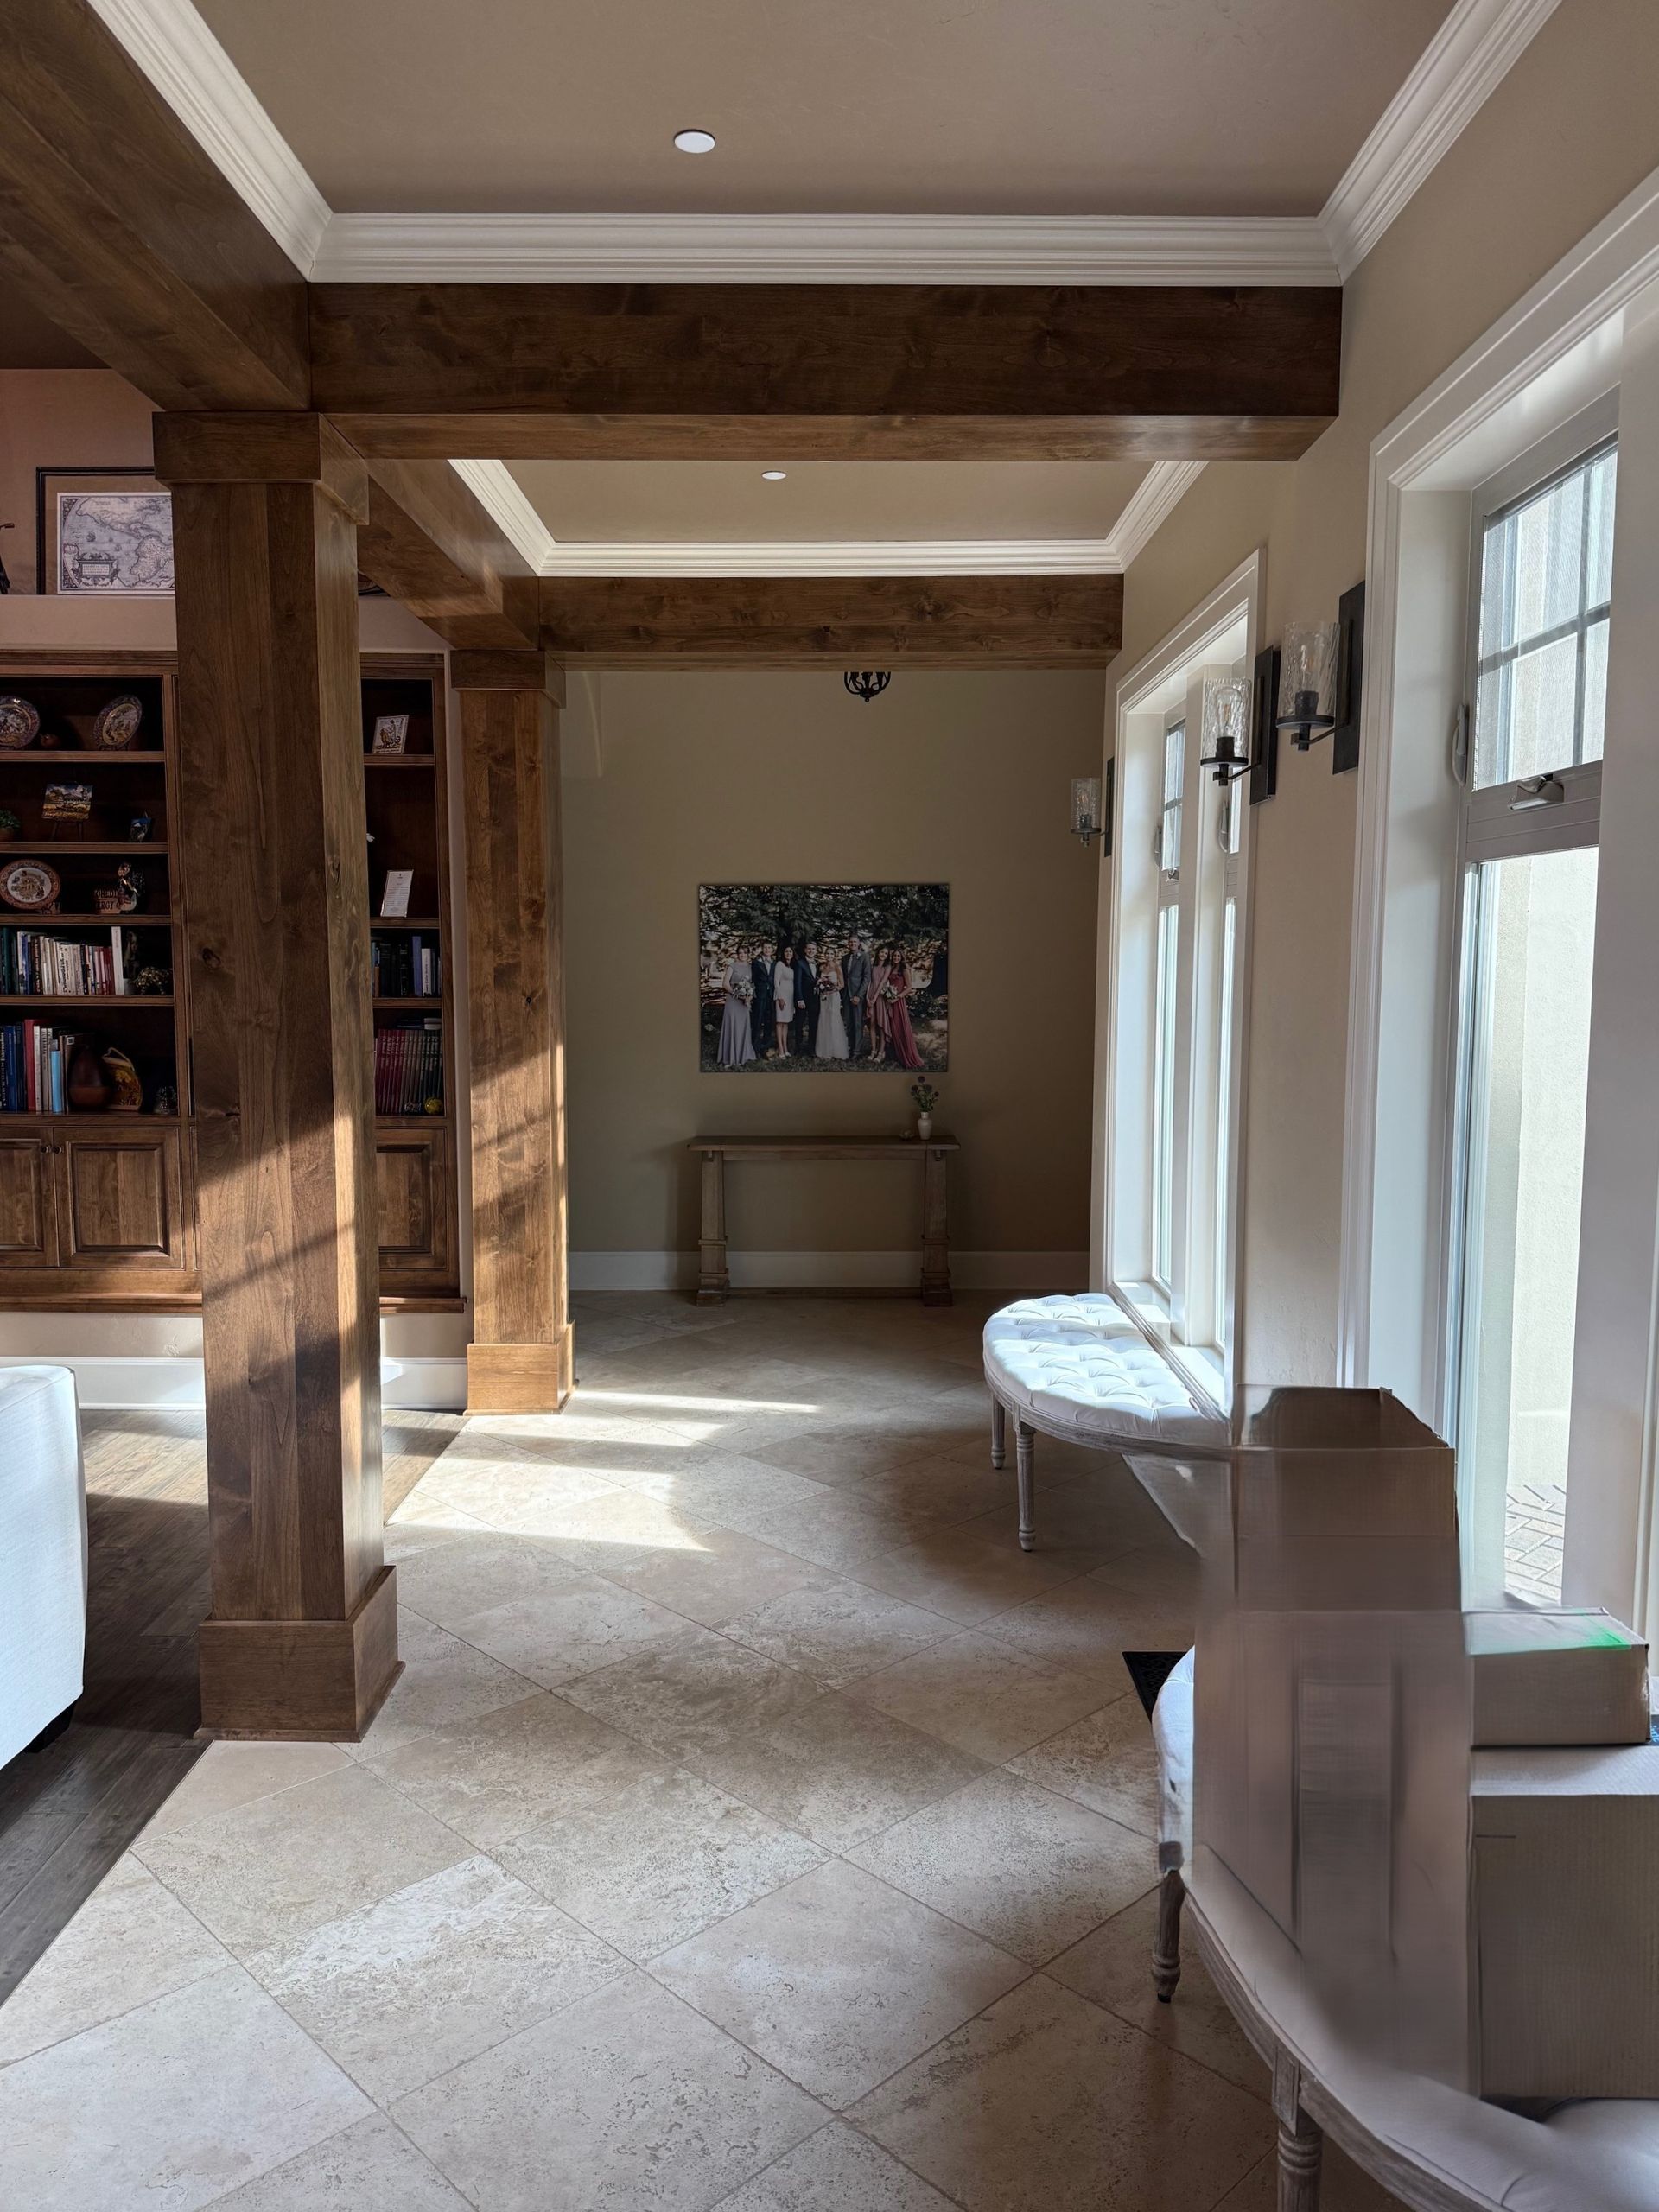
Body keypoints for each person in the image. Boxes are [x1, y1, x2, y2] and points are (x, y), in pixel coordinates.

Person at [716, 947, 756, 1067]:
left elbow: (753, 985)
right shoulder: (732, 966)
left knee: (742, 1027)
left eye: (745, 952)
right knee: (732, 1025)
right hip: (733, 1001)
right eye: (740, 953)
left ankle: (742, 1055)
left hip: (745, 1003)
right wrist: (736, 993)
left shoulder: (751, 967)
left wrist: (748, 996)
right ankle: (729, 1057)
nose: (742, 954)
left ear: (748, 954)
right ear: (737, 954)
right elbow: (725, 983)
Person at [886, 950, 925, 1070]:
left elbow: (908, 988)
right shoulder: (890, 967)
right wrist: (887, 995)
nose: (896, 957)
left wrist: (896, 997)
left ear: (902, 957)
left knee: (900, 1026)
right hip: (889, 999)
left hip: (898, 1001)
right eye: (894, 956)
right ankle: (894, 1053)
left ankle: (906, 1054)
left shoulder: (904, 969)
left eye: (898, 956)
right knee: (892, 1027)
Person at [815, 943, 849, 1061]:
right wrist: (820, 984)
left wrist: (833, 990)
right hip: (823, 997)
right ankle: (824, 1049)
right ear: (825, 955)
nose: (829, 955)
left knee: (833, 1020)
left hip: (833, 997)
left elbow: (842, 985)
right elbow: (818, 981)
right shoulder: (821, 968)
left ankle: (836, 1050)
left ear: (834, 955)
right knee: (824, 1019)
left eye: (831, 954)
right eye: (827, 953)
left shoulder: (837, 967)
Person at [842, 933, 870, 1060]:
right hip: (846, 995)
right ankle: (850, 1046)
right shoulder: (845, 958)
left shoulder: (864, 957)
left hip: (857, 996)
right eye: (850, 942)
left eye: (855, 942)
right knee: (849, 1023)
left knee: (858, 1023)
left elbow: (866, 978)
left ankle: (857, 1052)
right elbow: (843, 977)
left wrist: (859, 996)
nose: (852, 944)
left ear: (859, 943)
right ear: (848, 944)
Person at [792, 939, 819, 1057]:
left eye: (813, 949)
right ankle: (798, 1049)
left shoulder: (818, 964)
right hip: (803, 998)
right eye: (809, 949)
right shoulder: (799, 963)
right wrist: (799, 999)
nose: (811, 951)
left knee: (814, 1024)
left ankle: (811, 1049)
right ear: (805, 950)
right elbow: (797, 982)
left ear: (816, 951)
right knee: (799, 1024)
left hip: (815, 999)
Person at [867, 944, 892, 1061]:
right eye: (882, 952)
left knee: (881, 1025)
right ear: (878, 953)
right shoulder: (873, 966)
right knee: (872, 1023)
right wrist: (867, 997)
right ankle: (873, 1050)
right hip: (871, 996)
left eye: (886, 954)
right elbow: (869, 982)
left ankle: (881, 1052)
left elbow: (882, 983)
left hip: (880, 997)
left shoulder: (887, 967)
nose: (883, 955)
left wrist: (874, 998)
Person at [749, 942, 775, 1057]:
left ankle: (766, 1047)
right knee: (757, 1021)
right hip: (760, 995)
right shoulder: (756, 962)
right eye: (765, 947)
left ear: (772, 950)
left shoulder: (775, 963)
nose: (767, 949)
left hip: (771, 995)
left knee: (769, 1021)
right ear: (762, 949)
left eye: (769, 947)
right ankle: (755, 1048)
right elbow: (753, 979)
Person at [773, 944, 797, 1058]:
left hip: (790, 997)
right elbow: (776, 983)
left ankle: (786, 1047)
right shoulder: (780, 964)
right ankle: (781, 1049)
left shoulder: (791, 967)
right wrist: (780, 998)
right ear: (783, 953)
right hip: (782, 997)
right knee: (780, 1022)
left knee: (786, 1023)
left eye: (790, 952)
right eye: (786, 951)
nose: (788, 954)